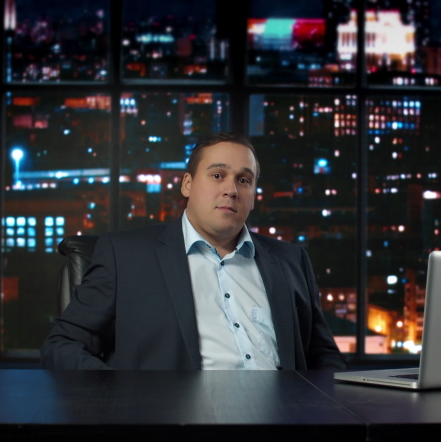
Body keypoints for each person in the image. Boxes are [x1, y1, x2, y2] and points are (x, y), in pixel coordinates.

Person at [41, 133, 346, 370]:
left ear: (253, 196)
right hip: (176, 432)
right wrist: (119, 396)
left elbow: (322, 357)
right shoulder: (126, 256)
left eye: (244, 180)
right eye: (217, 175)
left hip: (284, 428)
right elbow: (63, 346)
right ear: (187, 184)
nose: (231, 190)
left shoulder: (290, 261)